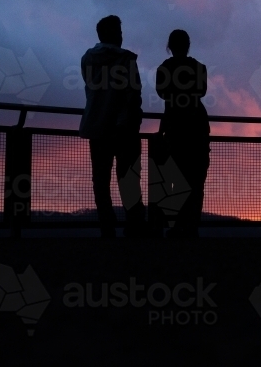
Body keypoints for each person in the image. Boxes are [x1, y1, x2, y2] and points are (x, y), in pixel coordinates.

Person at [80, 15, 146, 238]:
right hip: (124, 129)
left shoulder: (87, 59)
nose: (121, 35)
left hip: (96, 126)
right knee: (128, 179)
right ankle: (134, 227)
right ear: (115, 34)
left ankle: (107, 227)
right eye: (119, 31)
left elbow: (90, 86)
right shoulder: (127, 60)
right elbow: (133, 94)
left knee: (100, 180)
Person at [153, 30, 210, 237]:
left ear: (170, 45)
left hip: (175, 127)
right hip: (197, 127)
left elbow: (163, 94)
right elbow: (201, 91)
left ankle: (175, 227)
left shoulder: (163, 69)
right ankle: (191, 227)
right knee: (196, 181)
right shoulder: (200, 68)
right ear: (188, 45)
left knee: (175, 179)